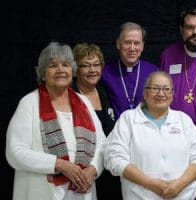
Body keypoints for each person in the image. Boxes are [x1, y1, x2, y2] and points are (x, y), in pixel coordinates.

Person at [5, 42, 106, 200]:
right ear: (43, 74)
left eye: (65, 65)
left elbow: (102, 144)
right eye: (53, 66)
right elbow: (15, 152)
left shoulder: (83, 102)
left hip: (82, 191)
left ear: (72, 71)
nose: (60, 70)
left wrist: (92, 169)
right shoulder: (29, 103)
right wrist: (59, 165)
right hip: (43, 192)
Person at [104, 71, 196, 200]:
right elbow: (114, 158)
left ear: (172, 94)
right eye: (155, 88)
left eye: (166, 89)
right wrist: (150, 184)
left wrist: (179, 185)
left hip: (183, 196)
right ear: (145, 93)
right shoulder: (128, 119)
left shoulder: (183, 120)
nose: (161, 94)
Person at [72, 43, 122, 199]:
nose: (92, 70)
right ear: (76, 69)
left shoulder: (105, 91)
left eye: (96, 64)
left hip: (108, 168)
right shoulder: (69, 96)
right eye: (85, 66)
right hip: (82, 172)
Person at [101, 21, 158, 119]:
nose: (132, 48)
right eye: (127, 43)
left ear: (142, 46)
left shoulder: (153, 72)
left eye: (136, 43)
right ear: (118, 44)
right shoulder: (105, 73)